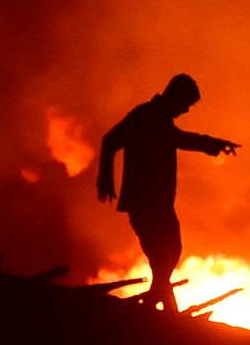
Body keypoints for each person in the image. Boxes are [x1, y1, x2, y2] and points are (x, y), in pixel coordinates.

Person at [96, 74, 240, 313]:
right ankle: (161, 302)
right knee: (163, 251)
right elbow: (111, 140)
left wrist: (213, 143)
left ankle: (159, 297)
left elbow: (178, 138)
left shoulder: (159, 120)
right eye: (185, 104)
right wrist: (105, 178)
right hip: (143, 200)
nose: (185, 110)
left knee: (168, 251)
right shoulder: (146, 117)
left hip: (158, 201)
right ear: (175, 96)